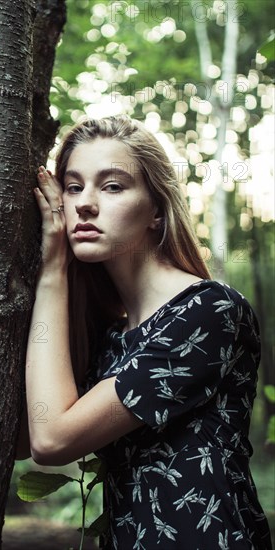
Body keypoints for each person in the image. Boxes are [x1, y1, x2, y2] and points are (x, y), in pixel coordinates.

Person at [22, 115, 272, 549]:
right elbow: (24, 437)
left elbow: (51, 439)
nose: (84, 203)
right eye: (74, 185)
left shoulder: (208, 310)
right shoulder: (111, 336)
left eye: (113, 186)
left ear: (156, 210)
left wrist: (52, 270)